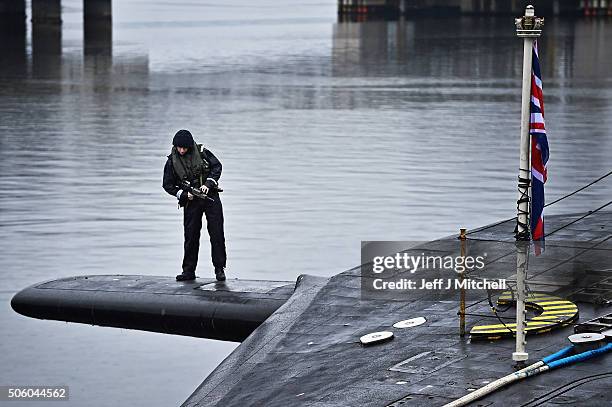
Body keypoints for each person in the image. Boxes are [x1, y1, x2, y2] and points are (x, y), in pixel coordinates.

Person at [162, 129, 227, 282]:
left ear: (190, 146)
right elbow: (167, 185)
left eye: (184, 148)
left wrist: (208, 184)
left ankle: (219, 269)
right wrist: (184, 195)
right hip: (191, 201)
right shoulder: (172, 161)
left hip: (210, 196)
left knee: (217, 234)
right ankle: (188, 271)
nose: (182, 150)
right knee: (191, 236)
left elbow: (217, 167)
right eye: (179, 148)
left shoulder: (203, 152)